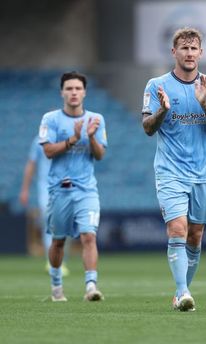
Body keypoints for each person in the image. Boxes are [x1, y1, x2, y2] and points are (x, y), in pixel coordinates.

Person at [141, 27, 206, 312]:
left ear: (200, 53)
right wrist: (163, 111)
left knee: (195, 235)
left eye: (194, 49)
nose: (189, 53)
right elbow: (147, 127)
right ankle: (182, 292)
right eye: (184, 48)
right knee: (177, 229)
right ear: (174, 52)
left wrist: (205, 104)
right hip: (170, 171)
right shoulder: (157, 85)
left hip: (203, 172)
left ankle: (182, 291)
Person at [39, 71, 107, 302]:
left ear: (85, 92)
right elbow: (48, 151)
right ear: (62, 92)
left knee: (89, 236)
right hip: (59, 190)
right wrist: (74, 139)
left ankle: (91, 286)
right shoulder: (51, 119)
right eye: (69, 88)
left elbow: (99, 155)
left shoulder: (96, 119)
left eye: (78, 88)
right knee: (58, 240)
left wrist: (92, 137)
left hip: (86, 190)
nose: (74, 92)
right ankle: (56, 285)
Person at [19, 136, 70, 276]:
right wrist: (25, 189)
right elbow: (31, 164)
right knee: (50, 223)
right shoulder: (39, 140)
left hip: (65, 186)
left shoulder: (67, 138)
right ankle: (53, 262)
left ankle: (60, 258)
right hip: (46, 188)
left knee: (63, 224)